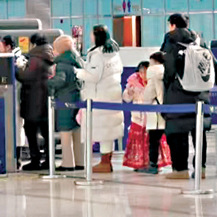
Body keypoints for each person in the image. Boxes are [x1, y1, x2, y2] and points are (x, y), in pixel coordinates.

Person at [161, 13, 217, 180]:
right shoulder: (199, 40)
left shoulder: (171, 39)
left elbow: (169, 66)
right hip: (200, 94)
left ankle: (180, 170)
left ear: (172, 24)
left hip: (178, 93)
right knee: (199, 134)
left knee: (177, 134)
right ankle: (200, 169)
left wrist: (167, 83)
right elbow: (214, 62)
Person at [76, 25, 124, 173]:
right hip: (113, 96)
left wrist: (78, 72)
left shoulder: (97, 54)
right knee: (108, 132)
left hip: (98, 98)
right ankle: (106, 161)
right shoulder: (113, 52)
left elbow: (94, 77)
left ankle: (104, 163)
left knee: (101, 131)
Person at [16, 36, 54, 170]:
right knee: (46, 133)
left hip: (33, 102)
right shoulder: (50, 57)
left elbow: (26, 76)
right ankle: (49, 160)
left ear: (33, 44)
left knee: (31, 132)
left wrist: (17, 69)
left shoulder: (35, 59)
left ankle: (35, 160)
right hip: (46, 101)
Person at [48, 35, 83, 171]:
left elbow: (60, 81)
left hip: (65, 100)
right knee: (77, 132)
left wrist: (48, 81)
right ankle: (80, 161)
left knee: (65, 132)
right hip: (78, 99)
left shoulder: (62, 65)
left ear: (60, 50)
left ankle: (68, 163)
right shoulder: (78, 61)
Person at [138, 52, 170, 174]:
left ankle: (153, 165)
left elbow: (148, 96)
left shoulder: (153, 74)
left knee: (153, 140)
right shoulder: (168, 71)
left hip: (155, 110)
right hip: (168, 109)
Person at [122, 61, 150, 171]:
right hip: (137, 117)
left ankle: (150, 163)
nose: (143, 74)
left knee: (150, 140)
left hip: (151, 116)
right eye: (141, 72)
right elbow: (126, 99)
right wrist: (129, 92)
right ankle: (137, 163)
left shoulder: (153, 81)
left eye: (146, 71)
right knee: (137, 140)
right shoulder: (132, 81)